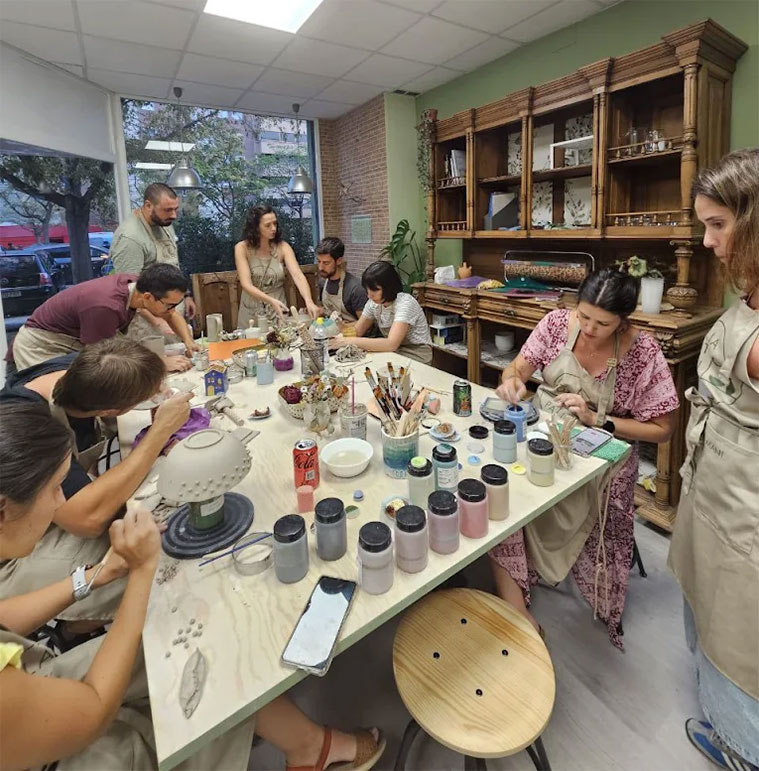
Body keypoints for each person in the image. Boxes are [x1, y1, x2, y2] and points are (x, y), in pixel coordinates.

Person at [0, 401, 385, 771]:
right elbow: (92, 710)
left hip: (32, 676)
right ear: (4, 509)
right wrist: (142, 572)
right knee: (199, 661)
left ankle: (305, 743)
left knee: (194, 630)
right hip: (54, 743)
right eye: (53, 489)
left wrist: (97, 576)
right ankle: (302, 745)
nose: (61, 501)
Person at [489, 269, 678, 648]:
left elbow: (662, 429)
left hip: (605, 444)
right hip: (546, 431)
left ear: (623, 320)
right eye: (584, 316)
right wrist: (512, 381)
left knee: (588, 491)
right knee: (501, 487)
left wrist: (597, 419)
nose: (589, 328)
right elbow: (518, 368)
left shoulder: (644, 352)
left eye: (602, 323)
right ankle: (515, 597)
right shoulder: (557, 323)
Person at [668, 148, 759, 771]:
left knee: (738, 635)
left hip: (744, 509)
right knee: (705, 601)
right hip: (711, 486)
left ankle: (740, 749)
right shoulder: (749, 297)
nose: (706, 241)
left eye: (718, 224)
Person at [0, 338, 192, 626]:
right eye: (147, 399)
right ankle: (76, 628)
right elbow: (86, 520)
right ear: (109, 411)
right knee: (164, 560)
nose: (157, 397)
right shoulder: (31, 421)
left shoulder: (80, 370)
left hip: (33, 516)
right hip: (15, 551)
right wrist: (160, 432)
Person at [7, 263, 194, 372]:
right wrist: (159, 363)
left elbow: (171, 315)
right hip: (41, 345)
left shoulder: (138, 286)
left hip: (71, 339)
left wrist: (188, 342)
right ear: (147, 297)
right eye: (169, 305)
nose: (172, 310)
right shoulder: (105, 307)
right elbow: (103, 358)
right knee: (56, 403)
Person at [110, 182, 196, 322]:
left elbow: (172, 268)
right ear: (149, 205)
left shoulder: (164, 223)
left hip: (171, 312)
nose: (173, 215)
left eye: (176, 209)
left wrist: (185, 296)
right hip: (149, 320)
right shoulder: (130, 237)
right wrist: (158, 322)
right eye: (168, 210)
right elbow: (129, 291)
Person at [329, 261, 433, 364]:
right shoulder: (373, 304)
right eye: (368, 290)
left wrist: (348, 341)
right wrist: (339, 330)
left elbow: (391, 344)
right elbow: (357, 331)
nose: (369, 295)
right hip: (395, 352)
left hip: (417, 354)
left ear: (389, 286)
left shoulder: (405, 303)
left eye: (375, 290)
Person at [234, 205, 319, 327]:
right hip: (251, 309)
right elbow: (246, 284)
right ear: (256, 227)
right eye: (268, 225)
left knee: (281, 340)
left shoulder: (283, 247)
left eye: (275, 224)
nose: (273, 228)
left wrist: (308, 300)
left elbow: (298, 276)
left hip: (278, 307)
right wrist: (270, 300)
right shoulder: (242, 248)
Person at [316, 237, 368, 325]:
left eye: (326, 263)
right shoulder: (322, 283)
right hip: (331, 333)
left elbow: (366, 325)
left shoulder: (355, 288)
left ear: (339, 261)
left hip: (353, 336)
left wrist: (343, 326)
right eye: (319, 262)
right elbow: (325, 313)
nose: (321, 267)